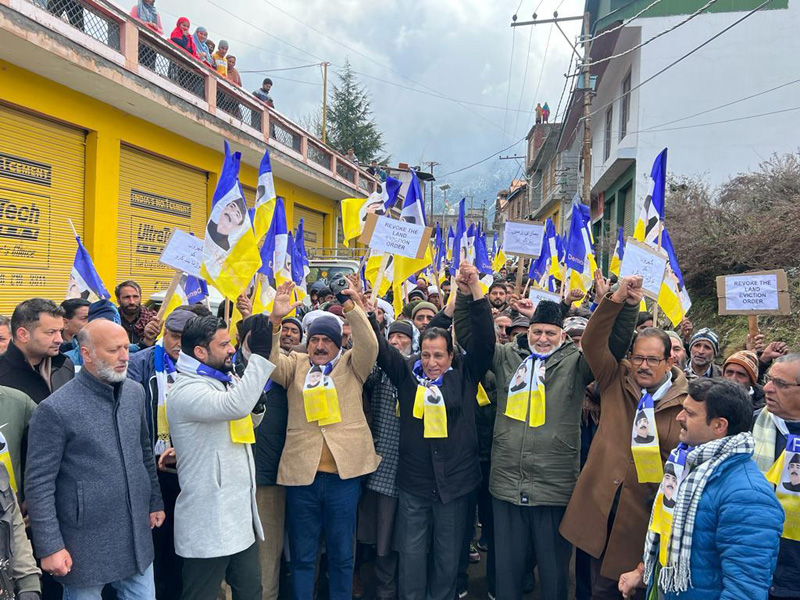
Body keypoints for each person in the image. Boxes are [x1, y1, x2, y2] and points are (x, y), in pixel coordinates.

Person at [454, 273, 633, 600]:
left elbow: (613, 345)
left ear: (562, 335)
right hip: (507, 486)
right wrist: (468, 296)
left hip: (554, 489)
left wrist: (626, 304)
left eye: (550, 332)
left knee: (552, 576)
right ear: (528, 331)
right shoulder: (506, 357)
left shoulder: (577, 364)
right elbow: (474, 339)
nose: (542, 338)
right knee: (506, 574)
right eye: (537, 331)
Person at [560, 275, 688, 600]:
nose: (642, 366)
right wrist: (618, 299)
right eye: (638, 358)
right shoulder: (616, 378)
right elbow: (591, 343)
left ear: (670, 361)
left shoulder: (689, 402)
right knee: (591, 586)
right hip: (600, 508)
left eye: (652, 360)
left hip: (642, 520)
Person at [376, 263, 493, 600]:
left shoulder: (465, 376)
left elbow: (485, 342)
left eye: (439, 355)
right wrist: (366, 311)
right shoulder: (407, 377)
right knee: (411, 557)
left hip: (455, 485)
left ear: (451, 356)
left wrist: (474, 293)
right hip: (415, 484)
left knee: (447, 558)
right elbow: (384, 353)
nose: (431, 362)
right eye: (425, 355)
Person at [25, 319, 165, 597]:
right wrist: (50, 545)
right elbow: (39, 484)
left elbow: (144, 454)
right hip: (84, 542)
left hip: (136, 534)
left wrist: (154, 501)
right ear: (86, 353)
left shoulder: (134, 393)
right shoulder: (55, 409)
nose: (125, 356)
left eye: (126, 347)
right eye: (114, 350)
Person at [618, 378, 783, 600]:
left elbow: (744, 591)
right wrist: (643, 572)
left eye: (690, 413)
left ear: (719, 426)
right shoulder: (686, 466)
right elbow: (670, 536)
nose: (679, 417)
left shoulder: (749, 496)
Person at [267, 280, 379, 600]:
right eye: (313, 339)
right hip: (303, 479)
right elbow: (271, 359)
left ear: (336, 344)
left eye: (326, 340)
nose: (319, 346)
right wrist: (275, 322)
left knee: (343, 556)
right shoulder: (296, 366)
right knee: (303, 557)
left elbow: (370, 346)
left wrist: (353, 309)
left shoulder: (352, 365)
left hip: (343, 479)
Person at [167, 314, 275, 600]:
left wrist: (257, 407)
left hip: (239, 515)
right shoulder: (186, 389)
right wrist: (260, 359)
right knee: (200, 595)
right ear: (200, 352)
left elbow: (244, 423)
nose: (231, 349)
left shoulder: (219, 378)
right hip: (209, 520)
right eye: (224, 344)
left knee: (251, 592)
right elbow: (235, 406)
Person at [127, 306, 210, 599]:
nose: (176, 343)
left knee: (184, 543)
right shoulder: (141, 363)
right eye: (172, 336)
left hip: (190, 470)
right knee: (155, 541)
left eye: (182, 337)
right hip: (151, 469)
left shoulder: (203, 366)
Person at [359, 319, 414, 600]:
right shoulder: (376, 373)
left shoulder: (419, 374)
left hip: (413, 473)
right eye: (392, 336)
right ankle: (384, 590)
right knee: (380, 538)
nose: (397, 342)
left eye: (403, 337)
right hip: (380, 468)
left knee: (405, 541)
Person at [752, 353, 800, 599]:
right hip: (760, 565)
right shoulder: (752, 426)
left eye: (780, 384)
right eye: (769, 379)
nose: (768, 388)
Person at [0, 299, 74, 404]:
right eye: (51, 332)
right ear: (23, 334)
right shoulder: (3, 373)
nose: (59, 340)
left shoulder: (65, 365)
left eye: (60, 331)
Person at [116, 281, 160, 347]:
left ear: (140, 298)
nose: (132, 302)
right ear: (118, 300)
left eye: (135, 297)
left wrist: (149, 338)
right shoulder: (112, 320)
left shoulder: (152, 320)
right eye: (127, 297)